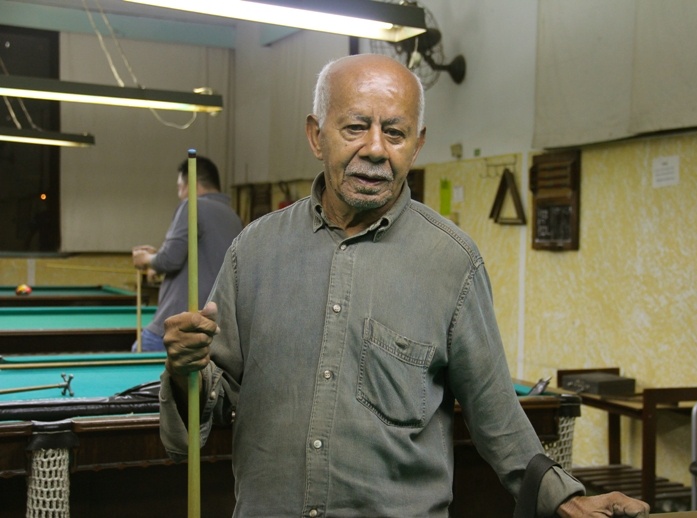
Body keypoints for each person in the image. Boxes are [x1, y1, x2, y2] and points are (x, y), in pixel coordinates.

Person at [160, 54, 650, 517]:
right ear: (316, 135)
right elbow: (211, 402)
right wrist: (186, 371)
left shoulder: (451, 262)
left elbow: (496, 415)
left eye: (395, 133)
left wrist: (566, 499)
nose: (375, 149)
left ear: (416, 145)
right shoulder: (255, 252)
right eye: (355, 127)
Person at [131, 156, 243, 352]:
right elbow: (202, 259)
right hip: (212, 327)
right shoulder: (232, 216)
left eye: (179, 187)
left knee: (139, 352)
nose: (179, 194)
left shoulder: (192, 205)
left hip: (178, 324)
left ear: (190, 185)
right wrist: (157, 258)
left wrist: (146, 259)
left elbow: (169, 260)